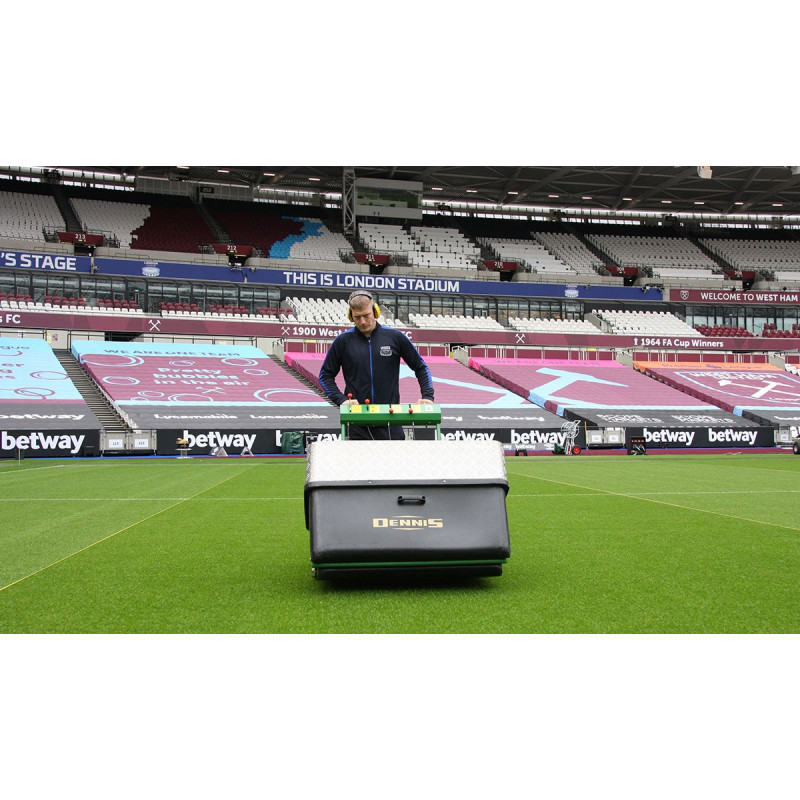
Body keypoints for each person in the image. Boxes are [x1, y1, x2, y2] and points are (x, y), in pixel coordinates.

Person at [319, 290, 434, 440]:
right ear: (350, 315)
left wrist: (427, 396)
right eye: (357, 317)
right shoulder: (342, 341)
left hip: (391, 420)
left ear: (375, 311)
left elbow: (421, 367)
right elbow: (325, 376)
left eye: (366, 315)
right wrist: (342, 400)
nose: (362, 321)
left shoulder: (395, 337)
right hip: (356, 422)